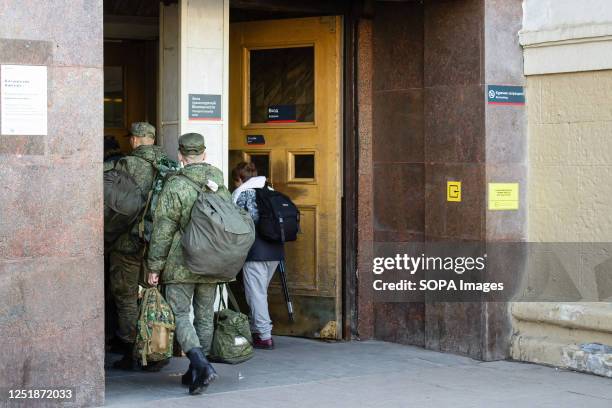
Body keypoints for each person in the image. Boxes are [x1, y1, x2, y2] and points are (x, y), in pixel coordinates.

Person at [147, 133, 226, 395]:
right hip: (213, 258)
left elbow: (162, 230)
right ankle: (196, 371)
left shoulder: (175, 184)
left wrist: (154, 266)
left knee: (180, 314)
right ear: (204, 154)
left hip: (181, 261)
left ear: (181, 156)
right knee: (204, 315)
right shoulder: (217, 179)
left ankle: (200, 365)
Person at [108, 122, 170, 371]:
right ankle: (157, 351)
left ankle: (132, 352)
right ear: (152, 139)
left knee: (125, 297)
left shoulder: (128, 164)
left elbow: (116, 205)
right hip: (158, 244)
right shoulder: (169, 165)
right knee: (153, 297)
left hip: (128, 242)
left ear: (134, 140)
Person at [231, 162, 284, 350]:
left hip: (255, 252)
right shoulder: (269, 190)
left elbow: (239, 225)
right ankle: (257, 328)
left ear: (240, 179)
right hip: (275, 251)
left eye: (235, 181)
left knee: (256, 294)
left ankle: (264, 336)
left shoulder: (243, 194)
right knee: (259, 292)